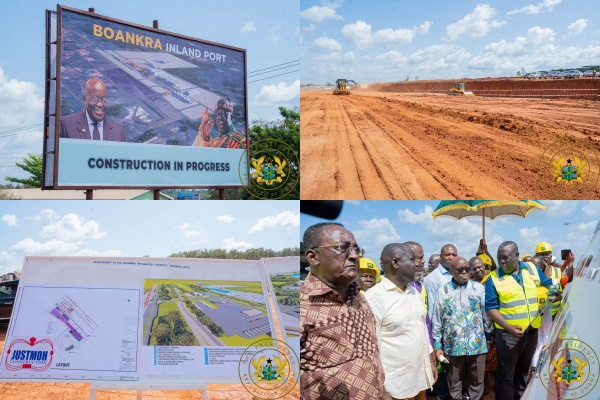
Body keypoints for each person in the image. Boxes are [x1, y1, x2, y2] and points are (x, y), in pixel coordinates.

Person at [300, 223, 385, 400]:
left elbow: (371, 355)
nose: (354, 255)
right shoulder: (299, 305)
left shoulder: (359, 297)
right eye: (341, 248)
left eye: (356, 249)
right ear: (313, 257)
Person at [485, 241, 561, 400]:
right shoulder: (494, 278)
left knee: (523, 372)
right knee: (506, 376)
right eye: (499, 258)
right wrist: (509, 327)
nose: (502, 262)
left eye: (505, 258)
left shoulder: (532, 269)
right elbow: (491, 308)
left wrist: (555, 292)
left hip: (532, 332)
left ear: (517, 256)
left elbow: (548, 284)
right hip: (508, 336)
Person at [365, 243, 437, 400]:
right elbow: (370, 350)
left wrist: (430, 360)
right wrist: (382, 389)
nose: (418, 264)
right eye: (412, 259)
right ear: (395, 263)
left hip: (420, 378)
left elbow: (422, 329)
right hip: (396, 387)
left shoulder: (413, 291)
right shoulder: (373, 298)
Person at [432, 256, 487, 400]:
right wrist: (438, 346)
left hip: (477, 346)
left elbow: (485, 316)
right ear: (451, 271)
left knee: (477, 382)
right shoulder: (443, 291)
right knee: (454, 383)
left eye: (467, 269)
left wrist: (488, 338)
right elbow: (437, 321)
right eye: (460, 269)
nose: (464, 272)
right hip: (453, 347)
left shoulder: (479, 289)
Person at [424, 244, 456, 400]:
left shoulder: (457, 273)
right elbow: (432, 311)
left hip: (455, 332)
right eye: (447, 254)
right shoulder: (433, 279)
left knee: (453, 366)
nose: (450, 257)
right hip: (441, 332)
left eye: (453, 254)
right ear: (441, 256)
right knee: (441, 366)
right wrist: (436, 338)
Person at [60, 78, 126, 141]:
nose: (100, 104)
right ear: (85, 99)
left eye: (103, 99)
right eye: (94, 99)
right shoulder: (66, 124)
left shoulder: (119, 131)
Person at [534, 242, 564, 317]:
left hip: (555, 314)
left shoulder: (558, 271)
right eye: (542, 255)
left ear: (551, 256)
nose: (545, 257)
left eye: (547, 254)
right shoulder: (533, 272)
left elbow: (561, 290)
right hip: (538, 314)